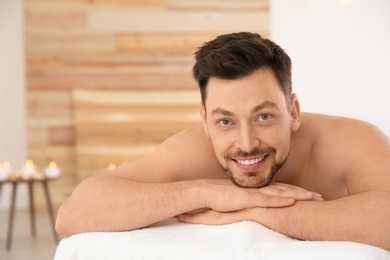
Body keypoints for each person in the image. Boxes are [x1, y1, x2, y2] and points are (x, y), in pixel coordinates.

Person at [55, 32, 390, 251]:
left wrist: (258, 209)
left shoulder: (352, 141)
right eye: (225, 121)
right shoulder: (195, 149)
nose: (245, 144)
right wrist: (206, 192)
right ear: (205, 121)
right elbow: (74, 214)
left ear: (293, 111)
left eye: (264, 116)